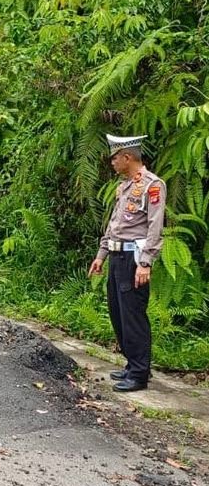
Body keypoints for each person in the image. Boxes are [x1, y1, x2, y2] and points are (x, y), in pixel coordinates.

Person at [89, 134, 166, 392]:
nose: (111, 162)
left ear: (127, 157)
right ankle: (133, 364)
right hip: (116, 256)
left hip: (134, 258)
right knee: (118, 313)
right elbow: (114, 225)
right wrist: (101, 255)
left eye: (114, 158)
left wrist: (146, 263)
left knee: (133, 315)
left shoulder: (152, 185)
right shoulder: (123, 187)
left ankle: (140, 373)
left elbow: (155, 226)